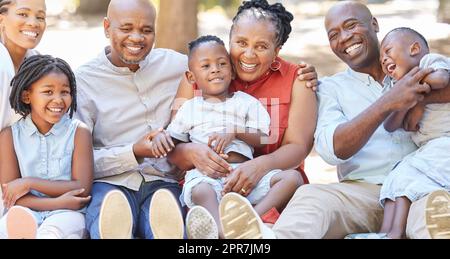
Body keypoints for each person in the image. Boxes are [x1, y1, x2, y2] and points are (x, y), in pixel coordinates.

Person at [217, 1, 450, 239]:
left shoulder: (415, 64)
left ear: (374, 24)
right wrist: (388, 101)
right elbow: (331, 149)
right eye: (334, 35)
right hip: (360, 194)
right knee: (311, 197)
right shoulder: (330, 88)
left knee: (435, 216)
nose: (345, 38)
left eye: (351, 26)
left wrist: (419, 98)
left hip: (423, 185)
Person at [168, 0, 317, 239]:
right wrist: (193, 152)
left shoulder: (298, 81)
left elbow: (299, 147)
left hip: (271, 191)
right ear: (230, 40)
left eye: (261, 46)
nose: (248, 54)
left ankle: (249, 223)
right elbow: (174, 146)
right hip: (211, 184)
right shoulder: (203, 74)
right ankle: (222, 229)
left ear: (276, 50)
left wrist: (259, 166)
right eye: (241, 43)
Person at [74, 0, 188, 239]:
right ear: (107, 28)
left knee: (168, 226)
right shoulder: (83, 81)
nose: (137, 38)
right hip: (110, 184)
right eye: (126, 29)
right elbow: (77, 162)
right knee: (111, 223)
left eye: (146, 30)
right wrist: (133, 152)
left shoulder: (178, 66)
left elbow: (220, 78)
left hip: (163, 181)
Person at [349, 28, 449, 239]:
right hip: (430, 147)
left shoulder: (430, 62)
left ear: (414, 49)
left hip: (445, 143)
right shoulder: (397, 87)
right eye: (382, 58)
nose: (384, 60)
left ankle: (396, 233)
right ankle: (385, 232)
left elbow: (441, 80)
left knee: (407, 176)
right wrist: (404, 99)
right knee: (395, 178)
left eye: (388, 51)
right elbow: (391, 125)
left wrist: (418, 96)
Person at [0, 55, 93, 239]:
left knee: (51, 234)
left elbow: (82, 188)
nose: (58, 99)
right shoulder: (9, 136)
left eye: (64, 92)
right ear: (27, 96)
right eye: (48, 92)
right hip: (27, 211)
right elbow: (11, 196)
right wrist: (59, 201)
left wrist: (28, 183)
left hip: (69, 214)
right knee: (5, 229)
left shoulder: (79, 132)